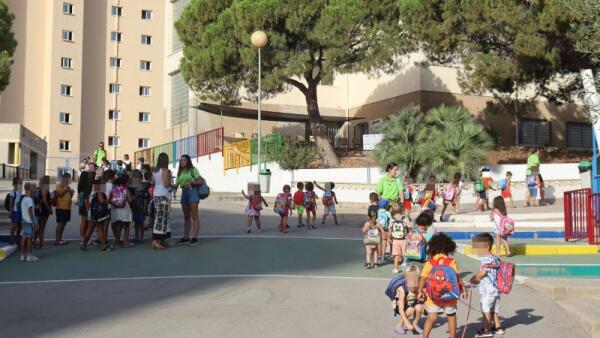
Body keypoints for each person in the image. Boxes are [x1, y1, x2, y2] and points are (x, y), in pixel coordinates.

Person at [418, 233, 468, 338]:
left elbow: (423, 278)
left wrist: (419, 292)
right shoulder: (451, 261)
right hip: (450, 295)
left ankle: (425, 336)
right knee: (451, 316)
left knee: (432, 317)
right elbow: (457, 277)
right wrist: (464, 289)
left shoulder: (430, 263)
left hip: (433, 296)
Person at [470, 233, 505, 337]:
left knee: (485, 310)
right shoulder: (496, 258)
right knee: (494, 309)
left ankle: (486, 330)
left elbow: (483, 272)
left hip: (487, 290)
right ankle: (498, 327)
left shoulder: (486, 259)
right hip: (496, 289)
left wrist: (474, 278)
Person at [175, 155, 204, 245]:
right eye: (181, 160)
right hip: (184, 193)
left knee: (194, 216)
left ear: (188, 161)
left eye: (184, 160)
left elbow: (200, 181)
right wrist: (170, 185)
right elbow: (177, 185)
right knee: (186, 217)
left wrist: (191, 182)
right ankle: (186, 237)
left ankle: (195, 238)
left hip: (193, 192)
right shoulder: (180, 172)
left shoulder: (193, 170)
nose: (182, 162)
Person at [393, 264, 424, 335]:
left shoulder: (418, 286)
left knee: (419, 307)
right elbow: (401, 309)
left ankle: (415, 324)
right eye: (410, 279)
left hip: (410, 303)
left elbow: (422, 298)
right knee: (411, 310)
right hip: (400, 306)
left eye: (415, 280)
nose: (413, 282)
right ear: (406, 279)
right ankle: (399, 326)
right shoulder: (402, 290)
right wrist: (407, 323)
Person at [151, 153, 172, 250]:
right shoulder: (165, 170)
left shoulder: (155, 171)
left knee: (159, 218)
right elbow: (166, 184)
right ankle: (156, 241)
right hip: (163, 196)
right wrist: (172, 184)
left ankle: (159, 240)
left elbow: (154, 183)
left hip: (157, 195)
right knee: (161, 219)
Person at [85, 179, 111, 251]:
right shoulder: (100, 192)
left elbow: (87, 201)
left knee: (91, 229)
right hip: (98, 214)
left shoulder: (92, 192)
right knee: (100, 229)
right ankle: (103, 246)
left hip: (93, 212)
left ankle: (84, 244)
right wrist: (108, 200)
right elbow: (102, 201)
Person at [110, 175, 133, 248]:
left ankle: (117, 241)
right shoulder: (126, 190)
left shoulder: (113, 190)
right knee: (127, 225)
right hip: (125, 208)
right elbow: (130, 200)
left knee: (118, 225)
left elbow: (109, 200)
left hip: (116, 209)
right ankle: (126, 242)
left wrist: (115, 202)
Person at [19, 183, 39, 262]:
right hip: (29, 222)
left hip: (24, 220)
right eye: (33, 189)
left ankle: (22, 255)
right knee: (29, 239)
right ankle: (29, 256)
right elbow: (30, 211)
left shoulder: (23, 199)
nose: (34, 191)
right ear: (29, 190)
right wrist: (34, 223)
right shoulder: (30, 200)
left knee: (24, 238)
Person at [390, 202, 411, 274]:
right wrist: (409, 235)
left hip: (395, 240)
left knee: (396, 255)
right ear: (402, 209)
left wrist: (389, 238)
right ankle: (406, 266)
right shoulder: (405, 218)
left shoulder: (392, 219)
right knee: (405, 253)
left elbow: (390, 229)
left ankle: (395, 268)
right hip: (404, 239)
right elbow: (409, 227)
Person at [54, 173, 74, 246]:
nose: (69, 180)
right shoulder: (59, 185)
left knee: (64, 224)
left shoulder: (68, 187)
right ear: (64, 179)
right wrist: (65, 189)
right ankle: (57, 240)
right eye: (68, 178)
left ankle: (60, 239)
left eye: (69, 178)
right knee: (60, 223)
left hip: (67, 208)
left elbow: (69, 197)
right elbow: (59, 195)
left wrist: (71, 193)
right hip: (61, 207)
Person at [132, 170, 151, 243]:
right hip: (135, 206)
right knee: (136, 222)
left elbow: (146, 198)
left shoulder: (145, 185)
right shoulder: (133, 186)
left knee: (141, 222)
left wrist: (144, 208)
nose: (136, 179)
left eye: (138, 177)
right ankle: (136, 236)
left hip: (142, 206)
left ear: (140, 178)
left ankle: (141, 236)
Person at [34, 176, 52, 249]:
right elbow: (44, 201)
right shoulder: (44, 190)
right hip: (44, 210)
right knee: (41, 227)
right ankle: (41, 243)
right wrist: (49, 209)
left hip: (44, 210)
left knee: (40, 227)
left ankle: (36, 241)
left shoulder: (43, 189)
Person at [77, 172, 92, 250]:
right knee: (86, 221)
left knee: (83, 220)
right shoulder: (87, 186)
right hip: (85, 204)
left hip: (81, 203)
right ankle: (84, 238)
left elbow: (80, 195)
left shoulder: (80, 185)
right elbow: (86, 197)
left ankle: (82, 237)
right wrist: (88, 208)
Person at [8, 177, 23, 245]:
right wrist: (10, 212)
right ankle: (11, 238)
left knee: (19, 225)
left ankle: (18, 237)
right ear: (14, 184)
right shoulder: (12, 192)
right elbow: (10, 203)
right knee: (14, 225)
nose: (20, 184)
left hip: (20, 211)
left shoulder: (20, 192)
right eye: (19, 182)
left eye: (21, 182)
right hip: (15, 211)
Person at [376, 199, 392, 263]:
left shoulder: (377, 212)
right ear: (386, 206)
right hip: (385, 230)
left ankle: (379, 254)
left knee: (379, 242)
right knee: (384, 242)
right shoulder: (387, 213)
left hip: (378, 229)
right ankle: (383, 255)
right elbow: (390, 220)